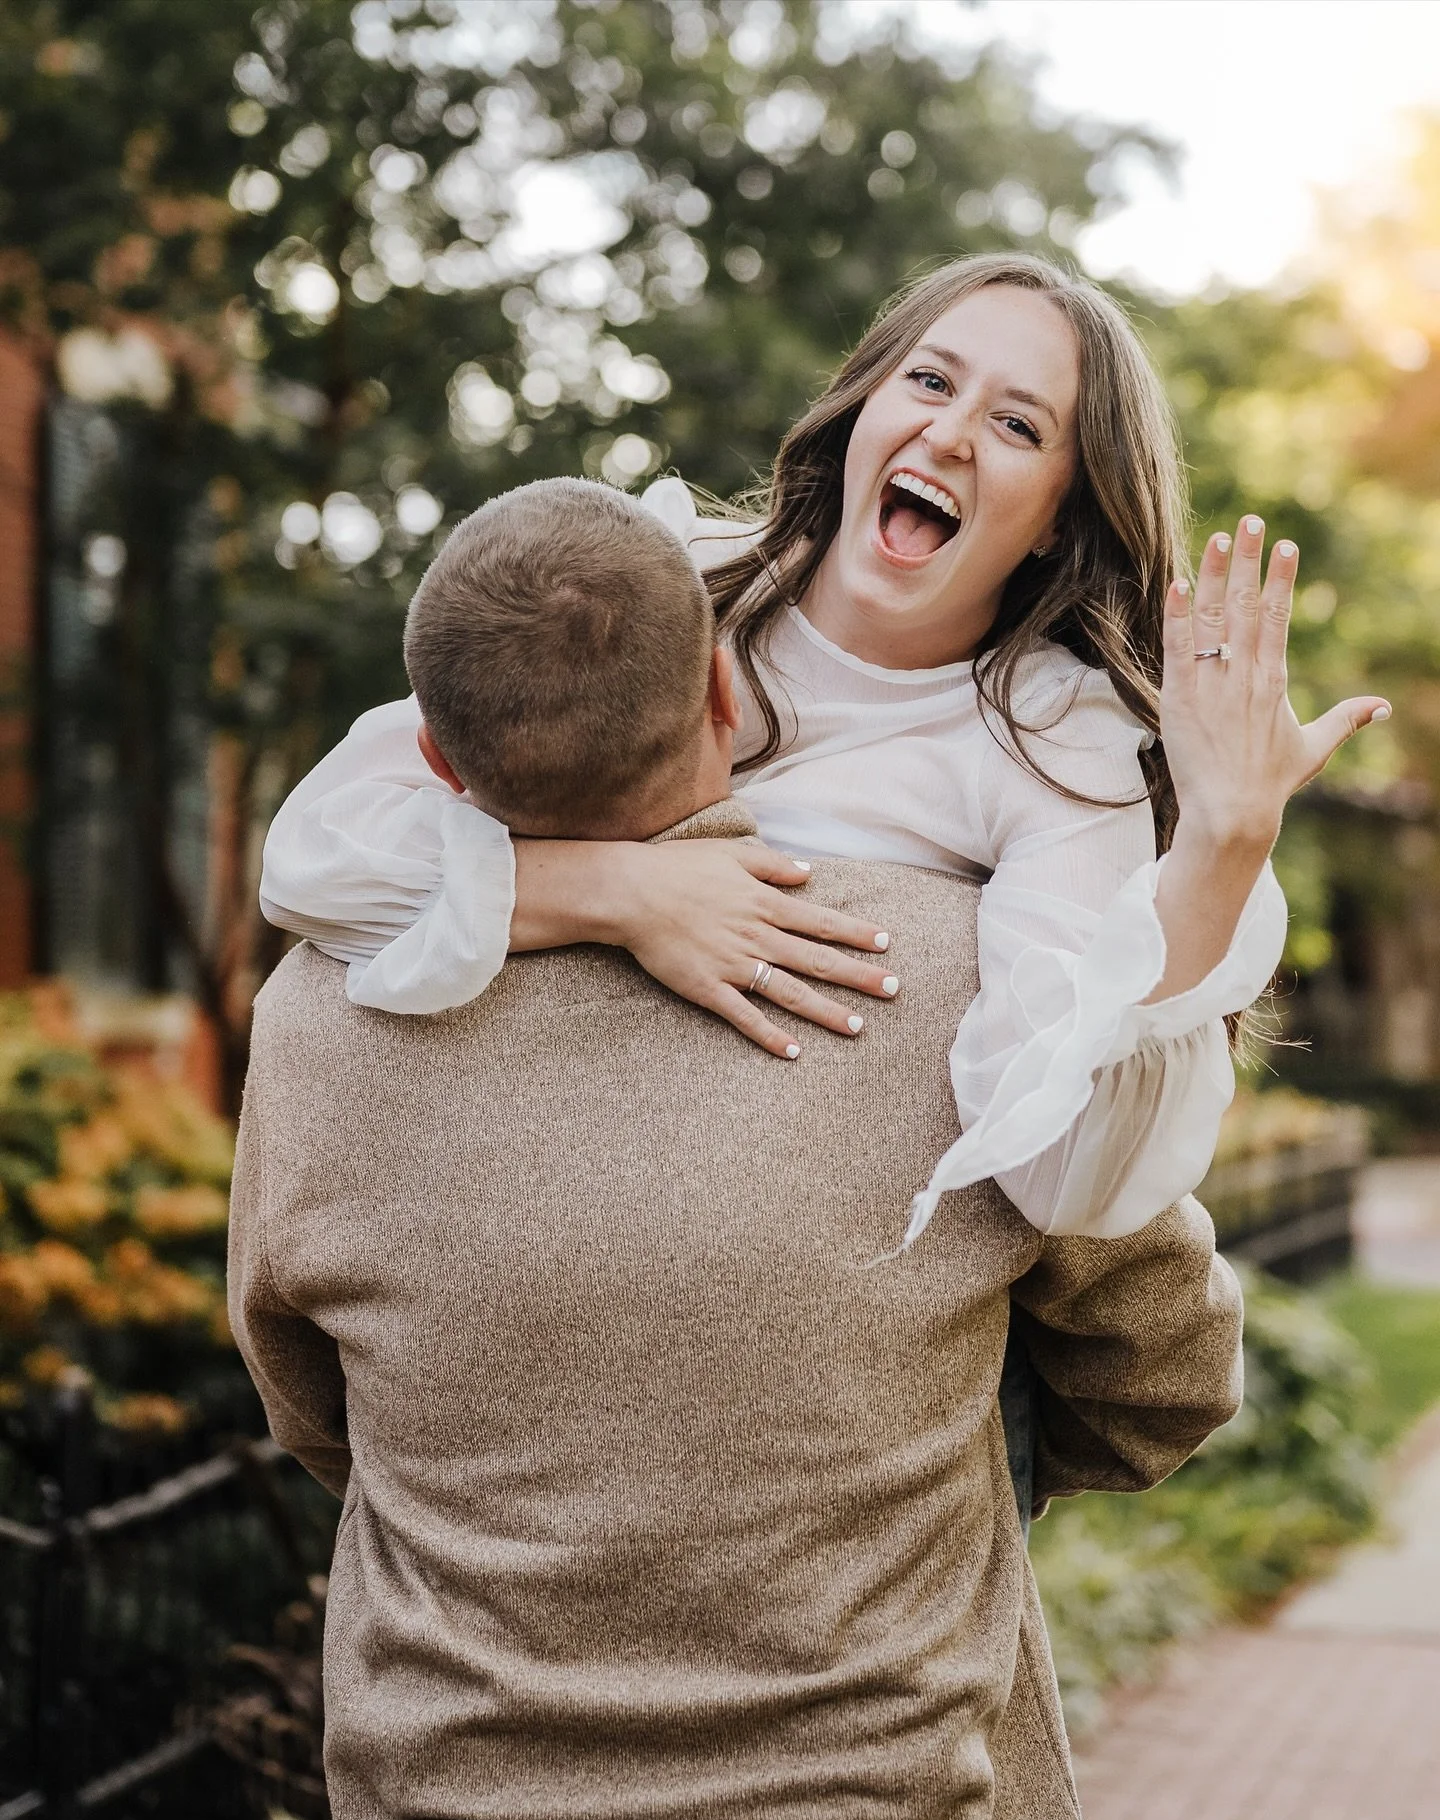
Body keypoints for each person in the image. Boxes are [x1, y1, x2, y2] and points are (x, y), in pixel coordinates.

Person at [230, 476, 1245, 1820]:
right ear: (724, 683)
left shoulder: (317, 1022)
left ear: (435, 765)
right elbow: (1168, 1379)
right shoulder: (949, 982)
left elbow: (304, 1395)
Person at [259, 252, 1389, 1250]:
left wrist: (1230, 838)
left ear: (1056, 518)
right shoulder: (662, 577)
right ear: (864, 411)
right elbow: (312, 857)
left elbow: (1061, 1173)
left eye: (1018, 425)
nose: (949, 431)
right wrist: (622, 893)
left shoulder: (1055, 742)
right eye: (932, 381)